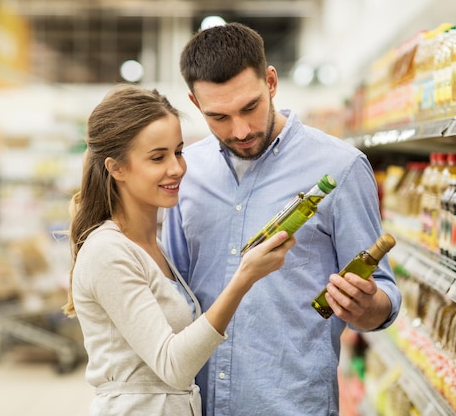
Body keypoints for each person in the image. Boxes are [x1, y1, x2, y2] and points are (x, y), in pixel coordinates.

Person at [160, 22, 403, 416]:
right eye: (218, 116)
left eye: (249, 107)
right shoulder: (186, 173)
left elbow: (384, 297)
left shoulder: (340, 168)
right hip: (197, 402)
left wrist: (367, 305)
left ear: (270, 82)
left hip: (291, 403)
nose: (240, 130)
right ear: (194, 102)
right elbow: (174, 292)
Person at [62, 84, 295, 416]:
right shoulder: (108, 252)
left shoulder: (150, 245)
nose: (177, 168)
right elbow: (173, 365)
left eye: (179, 151)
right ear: (117, 168)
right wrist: (244, 277)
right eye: (158, 157)